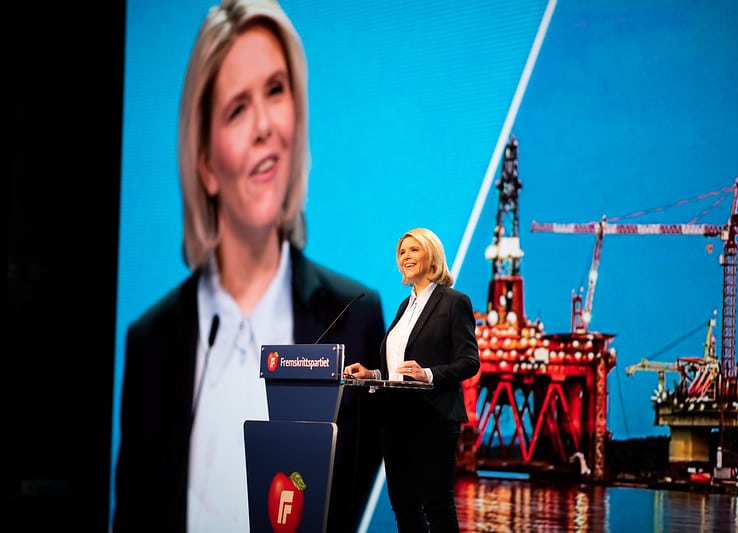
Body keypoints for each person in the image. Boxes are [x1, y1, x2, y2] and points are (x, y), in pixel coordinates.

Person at [112, 1, 385, 531]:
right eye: (237, 109)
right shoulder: (152, 344)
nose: (264, 125)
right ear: (206, 165)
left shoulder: (356, 320)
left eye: (276, 90)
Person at [344, 227, 481, 532]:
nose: (405, 256)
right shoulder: (405, 307)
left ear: (431, 255)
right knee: (404, 508)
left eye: (413, 249)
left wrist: (427, 374)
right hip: (395, 419)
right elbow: (398, 369)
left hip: (433, 419)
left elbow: (470, 362)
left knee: (437, 506)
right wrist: (373, 375)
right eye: (402, 252)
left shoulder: (454, 302)